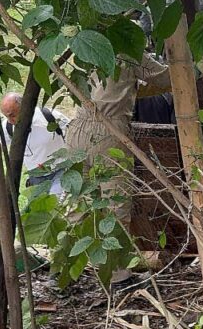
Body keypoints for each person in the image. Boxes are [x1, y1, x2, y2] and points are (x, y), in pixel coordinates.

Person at [66, 53, 171, 290]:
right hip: (109, 129)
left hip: (77, 128)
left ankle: (64, 271)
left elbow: (119, 90)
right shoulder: (127, 48)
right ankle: (118, 277)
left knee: (78, 202)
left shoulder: (87, 47)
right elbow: (165, 79)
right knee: (115, 204)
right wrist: (194, 68)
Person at [0, 92, 69, 196]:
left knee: (56, 206)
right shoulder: (7, 127)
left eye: (13, 115)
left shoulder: (49, 116)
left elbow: (75, 133)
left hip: (60, 171)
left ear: (25, 107)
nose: (10, 120)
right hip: (36, 177)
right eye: (7, 116)